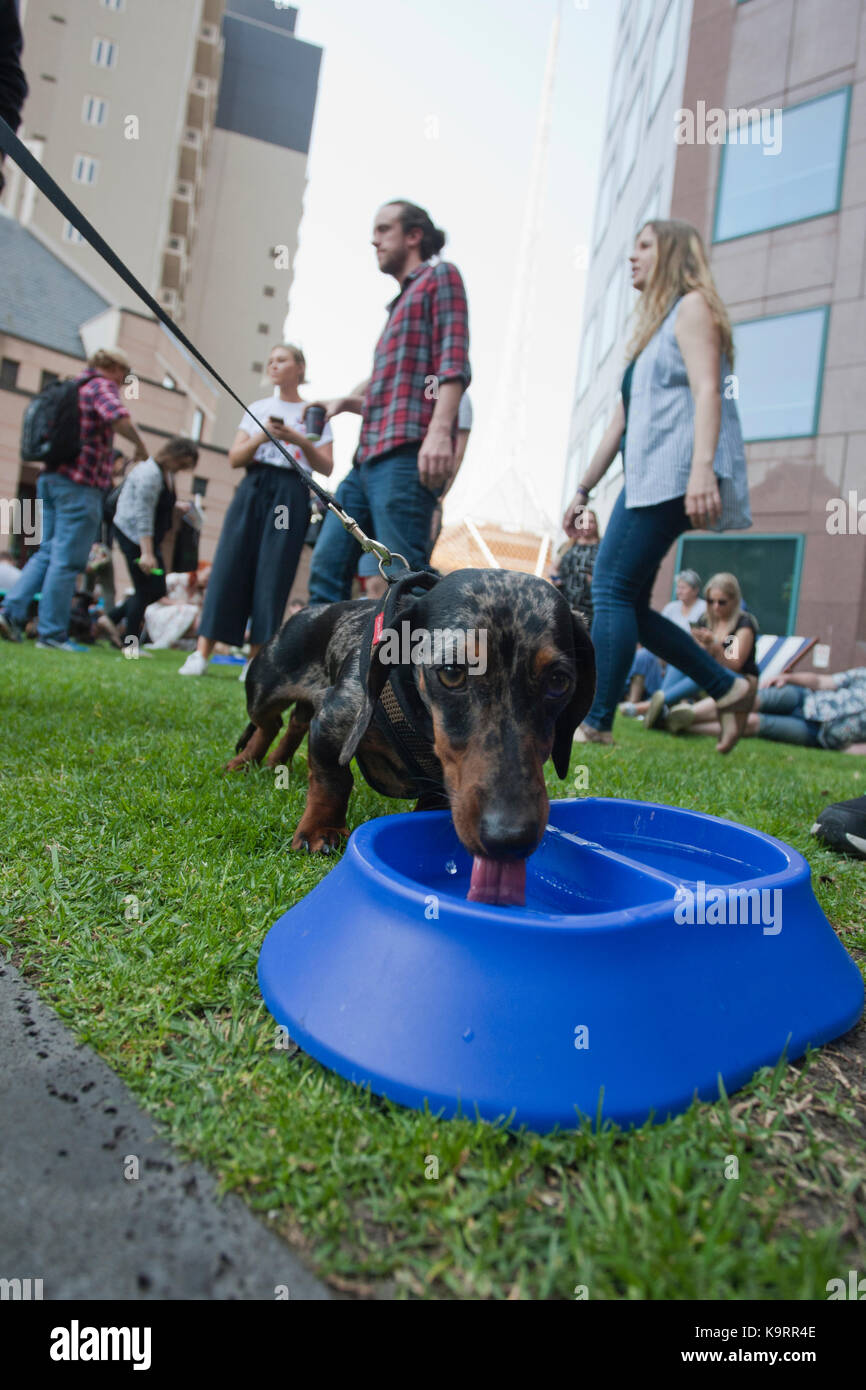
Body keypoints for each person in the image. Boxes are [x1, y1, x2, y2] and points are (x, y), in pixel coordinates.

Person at [562, 219, 753, 754]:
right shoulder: (654, 329)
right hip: (644, 479)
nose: (632, 256)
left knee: (610, 589)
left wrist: (701, 469)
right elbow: (620, 422)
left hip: (671, 475)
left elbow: (709, 390)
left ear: (670, 252)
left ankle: (597, 718)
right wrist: (583, 488)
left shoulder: (692, 308)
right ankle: (728, 687)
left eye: (644, 246)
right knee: (631, 603)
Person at [306, 200, 471, 604]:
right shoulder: (398, 306)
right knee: (326, 566)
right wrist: (347, 401)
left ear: (413, 236)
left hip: (403, 457)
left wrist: (438, 434)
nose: (373, 240)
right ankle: (324, 666)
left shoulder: (440, 278)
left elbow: (454, 361)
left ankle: (410, 669)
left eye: (383, 230)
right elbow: (393, 390)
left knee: (404, 579)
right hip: (364, 462)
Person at [178, 344, 333, 677]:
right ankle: (201, 652)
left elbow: (327, 465)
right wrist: (263, 438)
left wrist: (298, 438)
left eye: (282, 360)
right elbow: (235, 458)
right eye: (270, 360)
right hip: (253, 488)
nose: (274, 365)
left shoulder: (313, 412)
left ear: (300, 367)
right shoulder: (258, 407)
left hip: (291, 490)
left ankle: (255, 659)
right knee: (229, 563)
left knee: (274, 570)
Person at [0, 347, 149, 651]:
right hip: (79, 485)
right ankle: (52, 634)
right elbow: (117, 416)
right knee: (67, 562)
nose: (123, 382)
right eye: (124, 375)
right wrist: (140, 446)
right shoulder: (101, 386)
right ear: (115, 368)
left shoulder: (73, 385)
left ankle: (10, 613)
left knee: (46, 553)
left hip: (50, 478)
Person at [358, 387, 474, 601]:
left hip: (417, 493)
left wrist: (437, 501)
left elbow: (457, 453)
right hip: (380, 487)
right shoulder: (404, 386)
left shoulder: (457, 397)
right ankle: (381, 632)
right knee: (374, 579)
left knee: (406, 574)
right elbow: (357, 394)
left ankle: (419, 627)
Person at [110, 437, 199, 640]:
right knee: (144, 589)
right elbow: (143, 514)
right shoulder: (149, 474)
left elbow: (158, 502)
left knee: (156, 587)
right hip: (134, 538)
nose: (184, 468)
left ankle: (111, 618)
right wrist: (147, 554)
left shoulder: (167, 474)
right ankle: (130, 645)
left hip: (148, 540)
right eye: (184, 463)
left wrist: (176, 506)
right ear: (177, 456)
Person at [644, 572, 758, 730]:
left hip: (737, 681)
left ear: (734, 601)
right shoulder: (706, 620)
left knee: (703, 669)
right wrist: (700, 645)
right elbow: (695, 654)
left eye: (722, 602)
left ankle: (659, 703)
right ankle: (661, 704)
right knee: (683, 662)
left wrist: (715, 646)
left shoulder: (742, 625)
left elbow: (735, 665)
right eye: (711, 601)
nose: (715, 606)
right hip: (711, 674)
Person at [668, 667, 866, 751]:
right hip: (805, 698)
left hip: (816, 734)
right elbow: (823, 681)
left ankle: (678, 724)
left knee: (754, 722)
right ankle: (689, 714)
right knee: (748, 699)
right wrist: (790, 678)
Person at [552, 507, 601, 629]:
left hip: (589, 607)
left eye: (591, 521)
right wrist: (554, 578)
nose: (587, 525)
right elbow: (553, 567)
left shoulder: (602, 548)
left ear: (596, 525)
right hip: (565, 602)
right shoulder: (568, 545)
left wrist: (596, 582)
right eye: (583, 521)